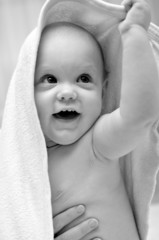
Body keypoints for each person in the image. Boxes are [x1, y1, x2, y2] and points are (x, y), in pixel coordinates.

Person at [34, 0, 159, 239]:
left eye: (83, 78)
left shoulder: (96, 144)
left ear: (103, 92)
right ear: (26, 94)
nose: (68, 92)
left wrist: (133, 34)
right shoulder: (19, 166)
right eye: (50, 79)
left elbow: (140, 116)